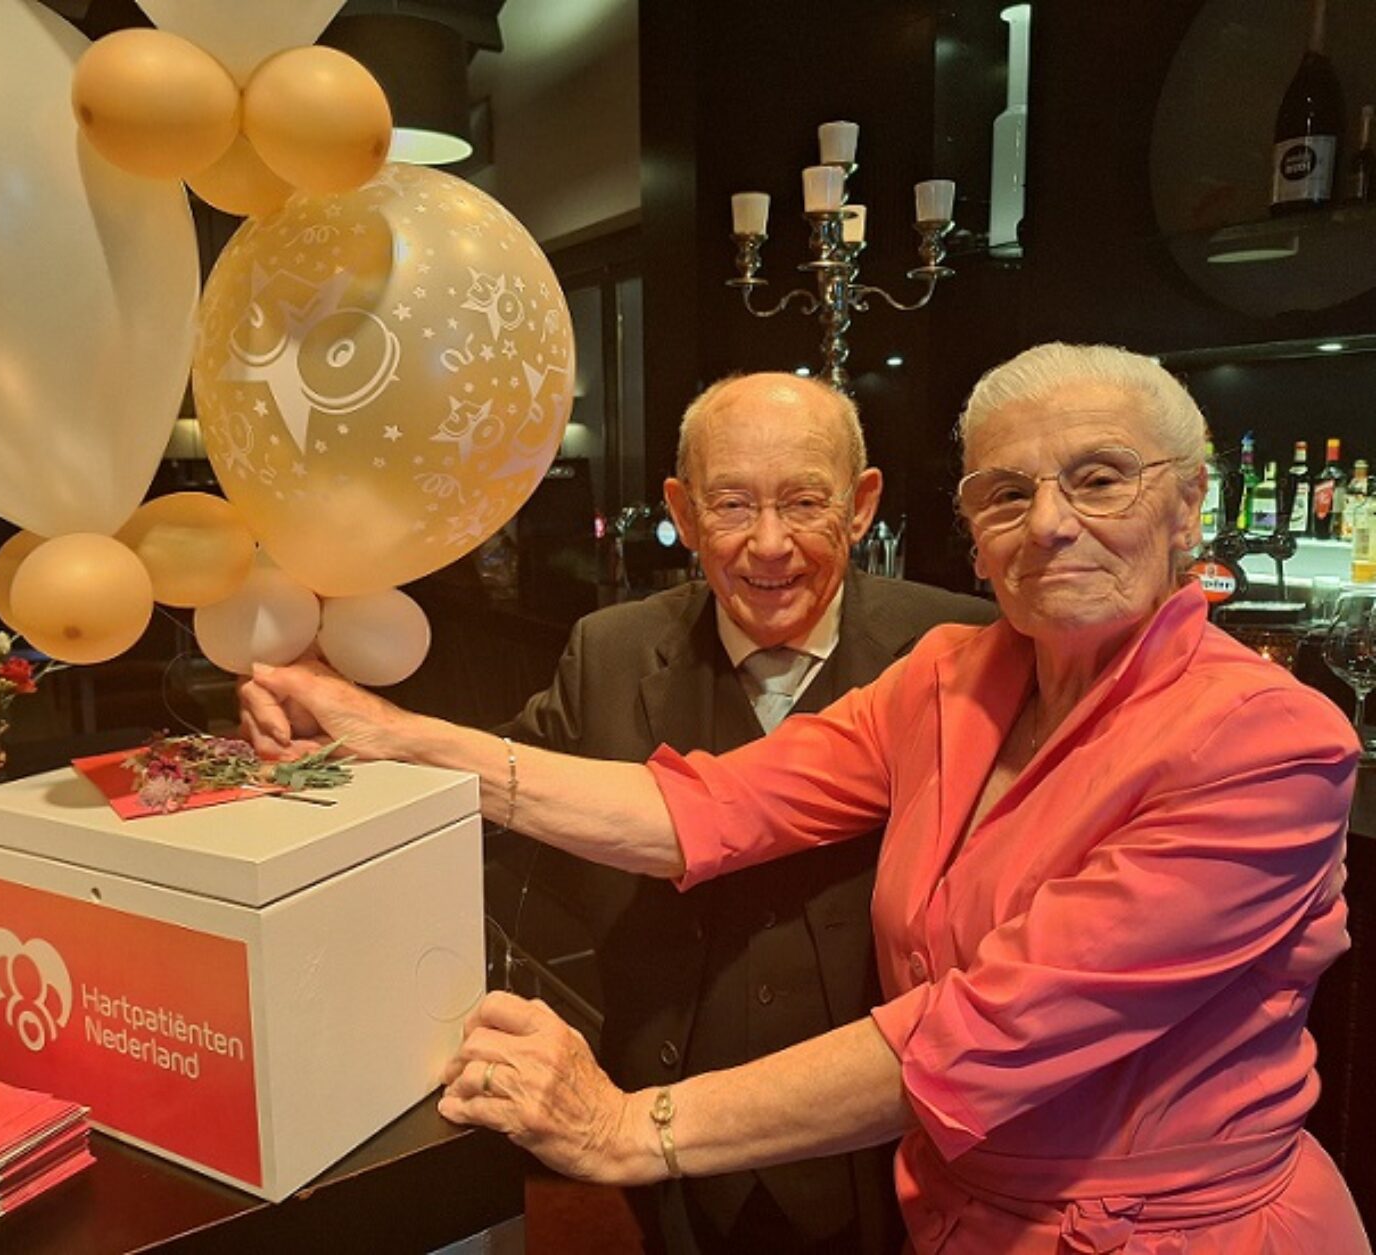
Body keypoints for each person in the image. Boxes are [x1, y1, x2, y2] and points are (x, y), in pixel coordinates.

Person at [240, 344, 1367, 1253]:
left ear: (1188, 505)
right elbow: (705, 809)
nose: (1049, 523)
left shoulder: (1266, 741)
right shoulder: (952, 676)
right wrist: (386, 733)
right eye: (1005, 493)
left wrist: (628, 1127)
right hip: (957, 1211)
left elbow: (979, 1034)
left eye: (1100, 478)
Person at [495, 371, 993, 1253]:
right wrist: (343, 747)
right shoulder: (609, 652)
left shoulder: (964, 650)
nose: (770, 545)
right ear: (683, 513)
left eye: (804, 501)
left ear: (861, 504)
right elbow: (496, 801)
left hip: (896, 1155)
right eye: (731, 505)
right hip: (666, 1152)